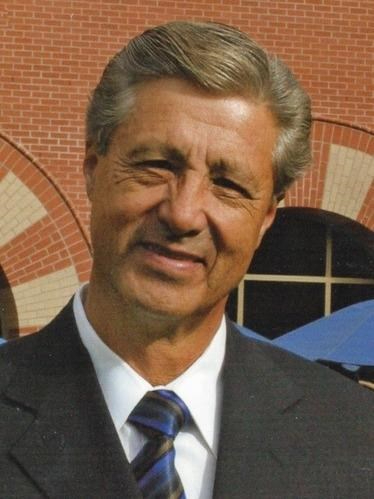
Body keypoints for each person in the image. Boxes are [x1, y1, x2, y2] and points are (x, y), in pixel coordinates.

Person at [0, 21, 373, 499]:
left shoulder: (354, 440)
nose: (182, 213)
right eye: (157, 165)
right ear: (93, 168)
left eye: (229, 185)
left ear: (265, 219)